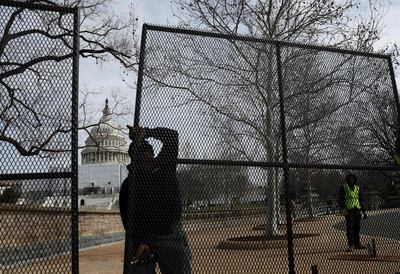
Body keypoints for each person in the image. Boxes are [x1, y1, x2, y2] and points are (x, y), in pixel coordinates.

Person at [119, 126, 191, 274]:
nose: (147, 159)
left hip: (169, 234)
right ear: (134, 161)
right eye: (141, 158)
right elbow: (127, 217)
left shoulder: (164, 166)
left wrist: (147, 133)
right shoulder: (129, 184)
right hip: (143, 240)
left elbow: (172, 136)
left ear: (152, 155)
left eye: (149, 155)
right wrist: (138, 239)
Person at [338, 173, 367, 252]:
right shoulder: (344, 187)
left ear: (355, 179)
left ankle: (357, 243)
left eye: (353, 178)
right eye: (350, 178)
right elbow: (341, 199)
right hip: (349, 210)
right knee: (350, 228)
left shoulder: (357, 188)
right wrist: (343, 209)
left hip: (357, 210)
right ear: (348, 179)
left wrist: (364, 211)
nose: (352, 180)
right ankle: (351, 244)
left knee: (357, 227)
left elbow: (361, 200)